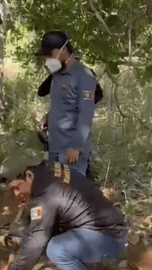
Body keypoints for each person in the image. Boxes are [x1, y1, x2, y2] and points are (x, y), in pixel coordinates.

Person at [0, 154, 128, 270]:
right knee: (35, 237)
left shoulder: (46, 197)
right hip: (99, 225)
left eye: (17, 187)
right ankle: (85, 262)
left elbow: (37, 239)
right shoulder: (48, 169)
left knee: (55, 249)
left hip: (109, 237)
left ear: (29, 175)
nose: (17, 193)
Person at [35, 31, 97, 177]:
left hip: (70, 152)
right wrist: (47, 119)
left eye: (50, 54)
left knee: (71, 193)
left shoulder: (84, 76)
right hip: (54, 148)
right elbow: (61, 104)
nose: (48, 59)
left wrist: (76, 146)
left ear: (63, 50)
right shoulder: (57, 75)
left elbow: (86, 114)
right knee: (56, 190)